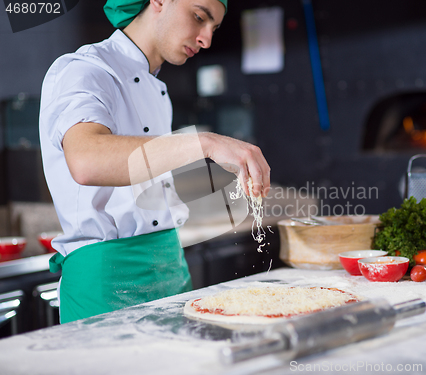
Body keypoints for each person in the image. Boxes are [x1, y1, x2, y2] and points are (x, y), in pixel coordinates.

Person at [39, 0, 271, 324]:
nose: (206, 39)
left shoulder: (158, 89)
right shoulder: (85, 69)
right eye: (199, 17)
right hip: (106, 279)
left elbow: (146, 181)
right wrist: (205, 143)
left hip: (170, 269)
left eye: (213, 28)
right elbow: (87, 160)